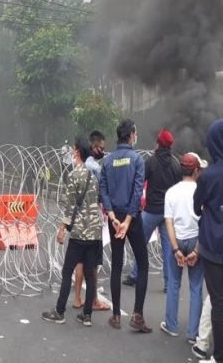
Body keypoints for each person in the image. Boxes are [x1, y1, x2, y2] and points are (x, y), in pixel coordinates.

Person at [41, 137, 103, 327]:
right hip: (94, 232)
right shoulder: (92, 176)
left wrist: (62, 230)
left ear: (76, 152)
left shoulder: (74, 176)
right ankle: (87, 315)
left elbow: (69, 208)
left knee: (67, 270)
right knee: (91, 273)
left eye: (73, 150)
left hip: (79, 233)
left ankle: (59, 311)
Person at [100, 119, 152, 332]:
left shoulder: (108, 160)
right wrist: (129, 220)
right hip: (132, 218)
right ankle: (137, 315)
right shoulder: (137, 159)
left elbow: (103, 190)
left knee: (117, 264)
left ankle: (116, 316)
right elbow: (137, 191)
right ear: (131, 135)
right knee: (143, 263)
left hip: (115, 219)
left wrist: (113, 217)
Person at [124, 129, 182, 290]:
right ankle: (168, 283)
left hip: (151, 211)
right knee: (168, 249)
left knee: (140, 244)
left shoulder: (151, 162)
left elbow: (140, 181)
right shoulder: (176, 164)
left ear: (158, 144)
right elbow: (179, 188)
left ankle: (135, 275)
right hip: (168, 214)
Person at [159, 152, 207, 344]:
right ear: (196, 170)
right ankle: (192, 333)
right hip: (196, 240)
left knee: (173, 283)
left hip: (177, 239)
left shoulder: (171, 192)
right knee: (196, 287)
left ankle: (171, 325)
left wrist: (175, 249)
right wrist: (197, 250)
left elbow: (168, 222)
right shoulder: (201, 191)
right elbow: (205, 222)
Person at [194, 119, 223, 363]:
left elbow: (197, 206)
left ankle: (220, 355)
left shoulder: (209, 175)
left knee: (218, 301)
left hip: (212, 247)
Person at [72, 130, 110, 311]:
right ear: (94, 147)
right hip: (93, 221)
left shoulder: (79, 167)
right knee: (93, 262)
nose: (103, 151)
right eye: (101, 148)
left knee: (79, 261)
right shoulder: (95, 168)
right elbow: (102, 193)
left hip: (80, 220)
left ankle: (77, 298)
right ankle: (94, 300)